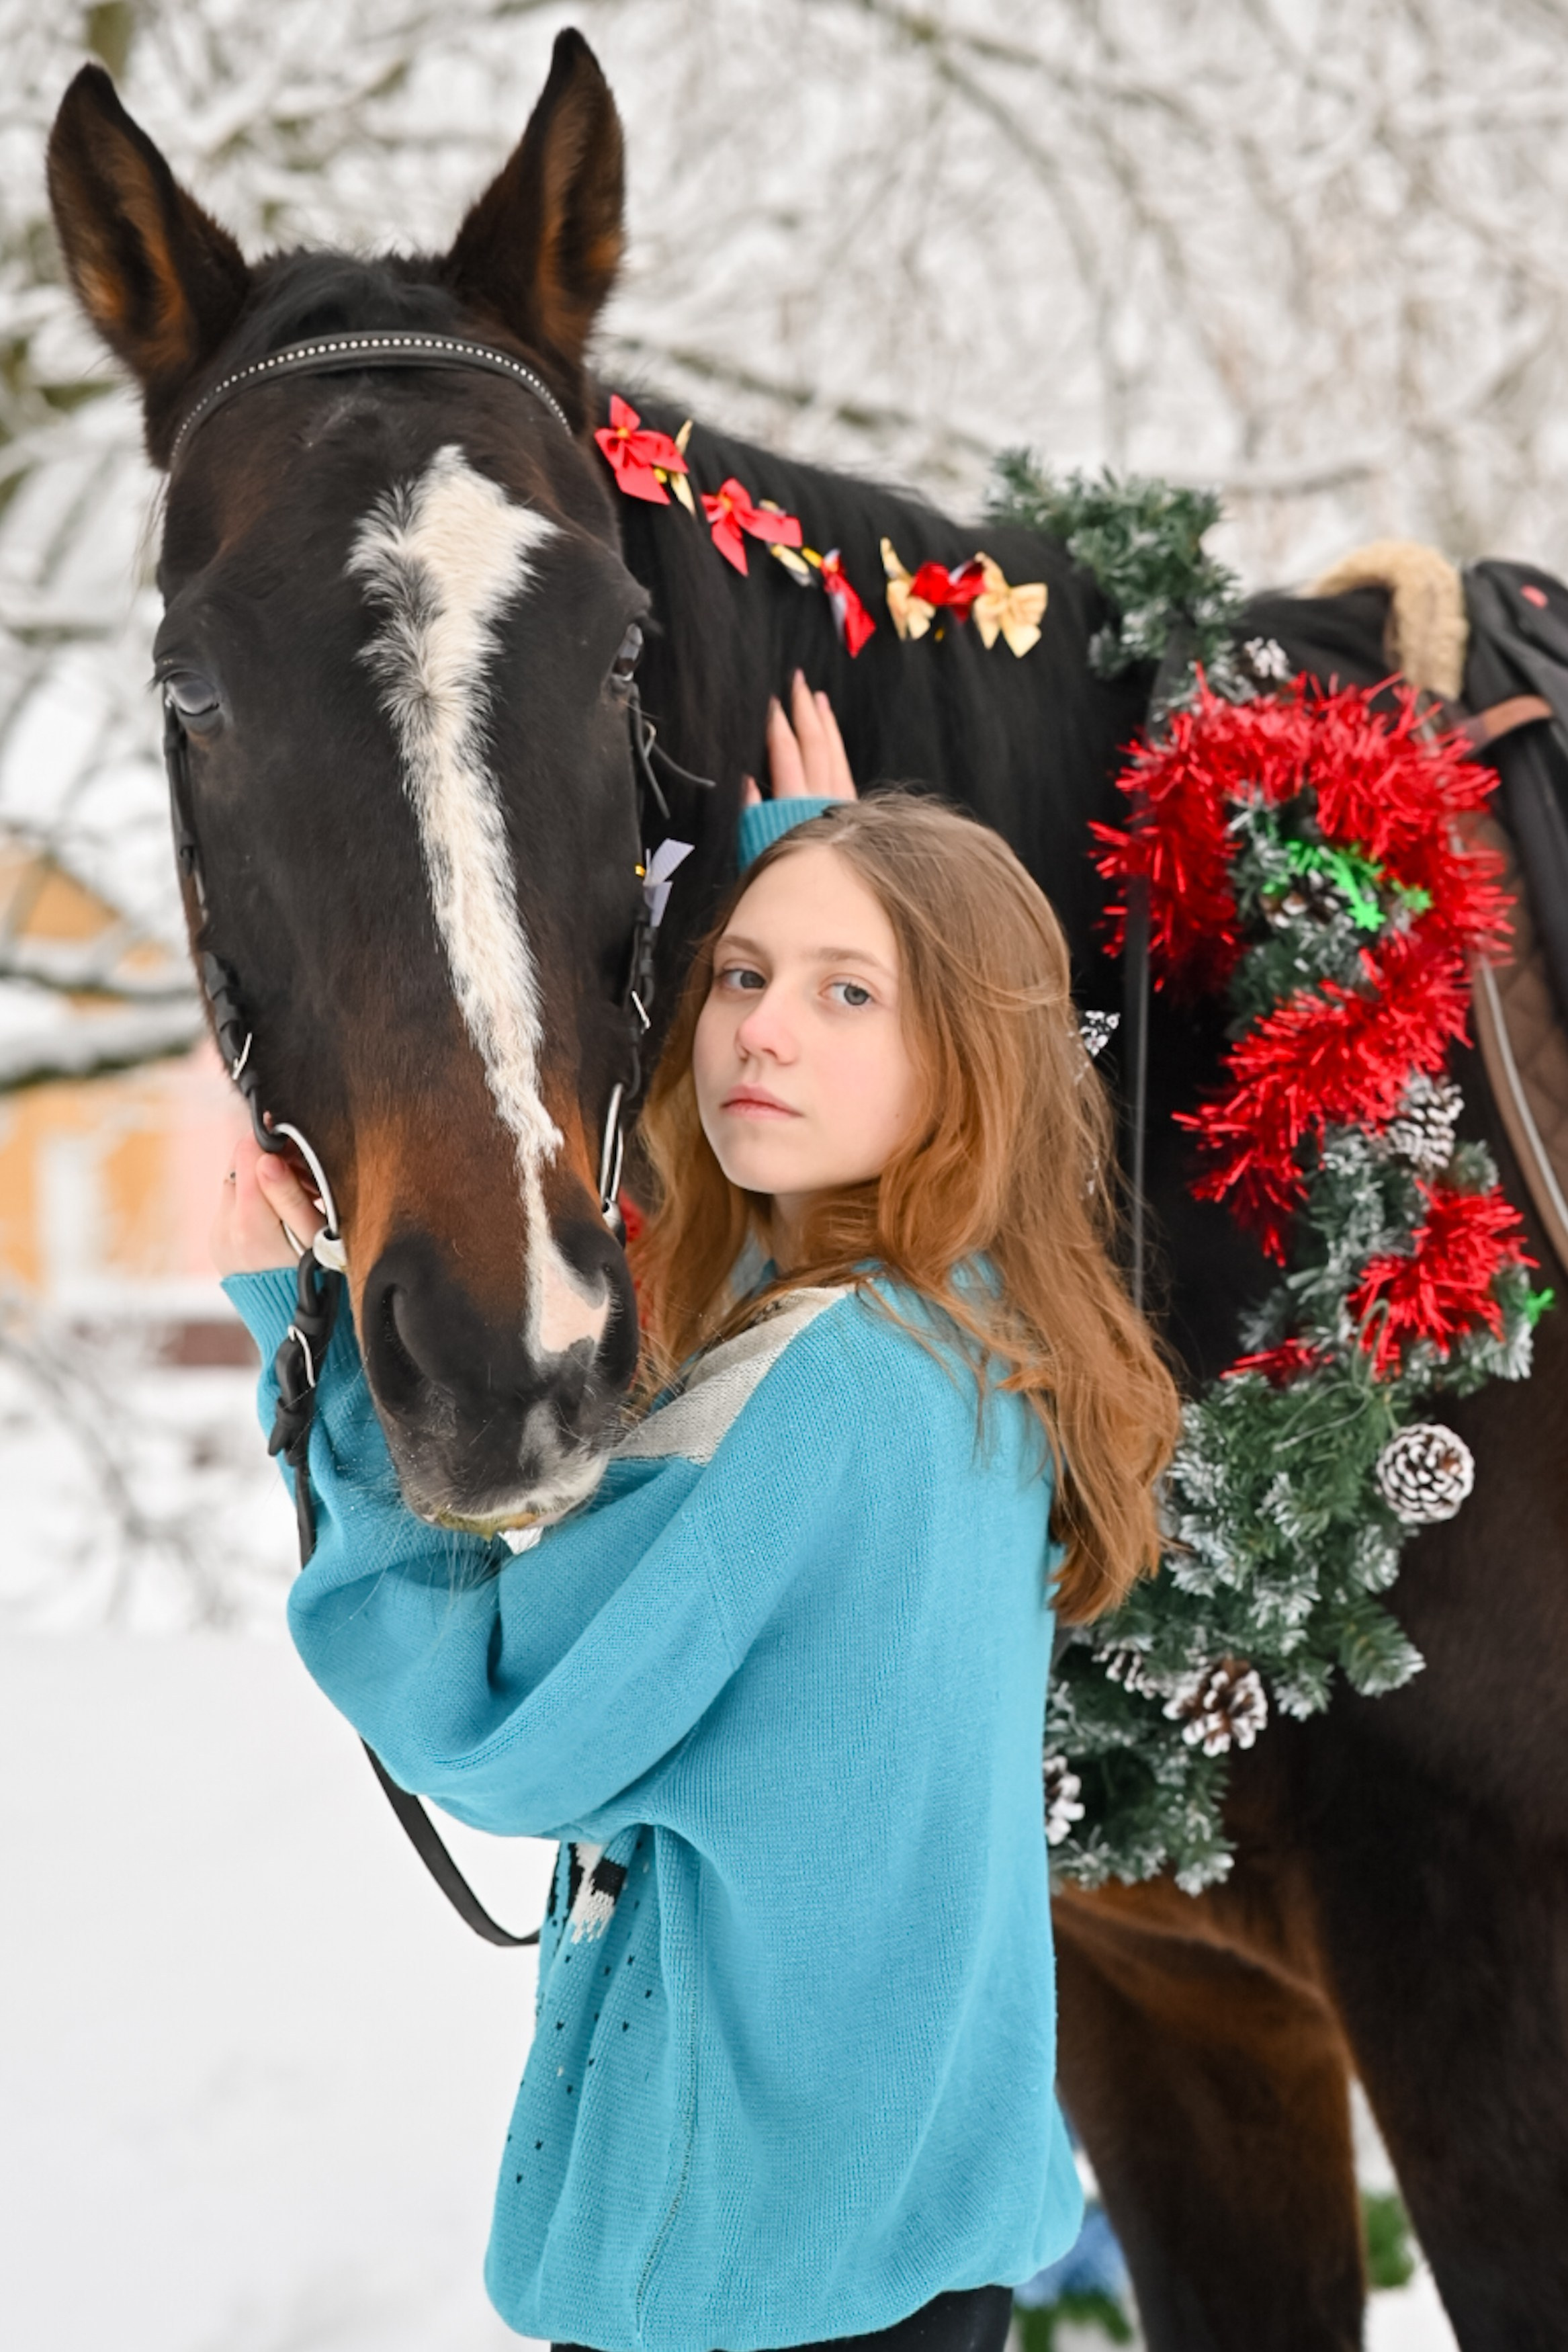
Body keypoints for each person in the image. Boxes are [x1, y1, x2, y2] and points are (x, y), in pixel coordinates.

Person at [212, 674, 1180, 2352]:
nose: (759, 1031)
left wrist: (319, 1366)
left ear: (971, 1058)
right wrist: (819, 860)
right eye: (742, 973)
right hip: (910, 2217)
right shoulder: (970, 1325)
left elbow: (496, 1712)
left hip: (743, 2260)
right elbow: (755, 1306)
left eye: (846, 993)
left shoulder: (819, 1389)